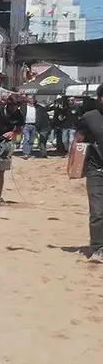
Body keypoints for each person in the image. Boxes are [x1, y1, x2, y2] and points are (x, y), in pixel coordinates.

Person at [73, 83, 103, 263]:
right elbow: (78, 140)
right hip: (96, 170)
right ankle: (98, 248)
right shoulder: (90, 117)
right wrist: (74, 165)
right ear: (100, 98)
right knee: (98, 211)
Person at [0, 94, 21, 205]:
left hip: (5, 144)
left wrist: (13, 133)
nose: (14, 109)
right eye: (13, 106)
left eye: (17, 107)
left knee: (0, 171)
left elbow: (19, 129)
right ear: (8, 104)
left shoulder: (18, 114)